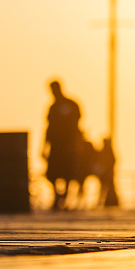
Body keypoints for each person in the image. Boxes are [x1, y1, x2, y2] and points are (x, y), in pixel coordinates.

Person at [43, 80, 83, 209]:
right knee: (52, 173)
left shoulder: (71, 104)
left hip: (68, 144)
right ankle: (57, 195)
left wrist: (76, 143)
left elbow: (77, 125)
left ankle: (64, 197)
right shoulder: (53, 107)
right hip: (55, 145)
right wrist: (44, 145)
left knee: (68, 172)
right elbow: (48, 127)